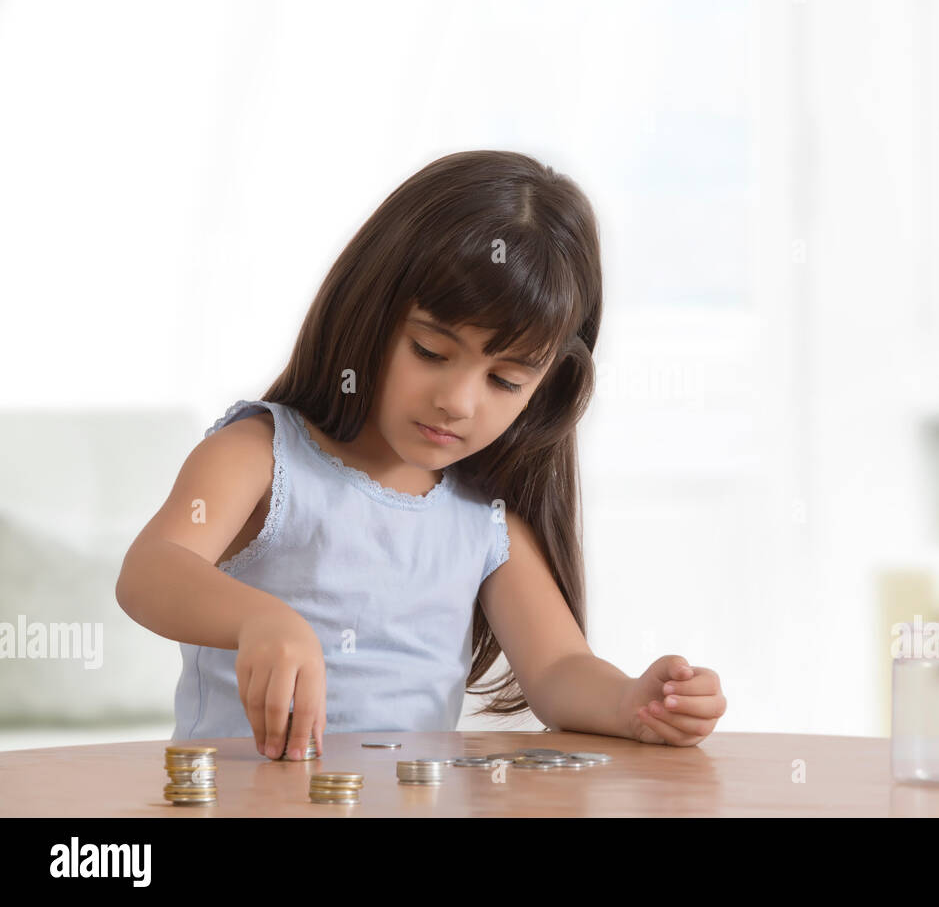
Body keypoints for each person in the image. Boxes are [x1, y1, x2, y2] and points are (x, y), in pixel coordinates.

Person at [116, 150, 726, 759]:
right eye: (431, 352)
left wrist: (632, 703)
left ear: (544, 390)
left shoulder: (485, 520)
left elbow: (558, 668)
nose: (456, 401)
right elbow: (151, 568)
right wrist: (258, 619)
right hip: (240, 800)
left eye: (505, 381)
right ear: (368, 309)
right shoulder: (262, 456)